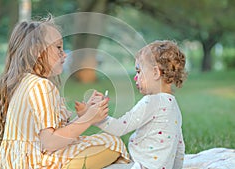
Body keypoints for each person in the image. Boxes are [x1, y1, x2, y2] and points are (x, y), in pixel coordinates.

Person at [0, 16, 130, 169]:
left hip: (15, 162)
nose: (64, 54)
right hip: (35, 163)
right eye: (58, 48)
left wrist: (83, 115)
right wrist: (88, 119)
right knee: (112, 142)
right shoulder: (41, 86)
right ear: (37, 51)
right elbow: (50, 142)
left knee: (101, 142)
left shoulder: (24, 82)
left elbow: (53, 135)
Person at [76, 40, 187, 169]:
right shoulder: (173, 105)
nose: (135, 77)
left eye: (139, 71)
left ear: (156, 73)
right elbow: (179, 146)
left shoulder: (151, 101)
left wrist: (93, 117)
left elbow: (119, 128)